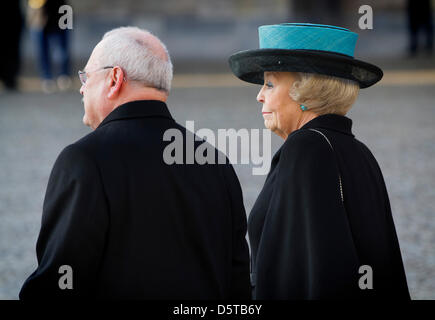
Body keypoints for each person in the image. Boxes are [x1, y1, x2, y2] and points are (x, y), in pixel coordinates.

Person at [20, 27, 250, 299]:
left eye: (87, 76)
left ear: (115, 79)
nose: (81, 88)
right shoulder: (215, 162)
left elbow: (58, 284)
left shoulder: (85, 161)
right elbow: (238, 283)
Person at [229, 23, 410, 300]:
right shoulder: (359, 151)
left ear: (305, 93)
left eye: (270, 83)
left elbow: (310, 272)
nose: (259, 95)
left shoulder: (307, 147)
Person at [27, 0, 71, 93]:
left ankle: (63, 75)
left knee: (61, 48)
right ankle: (46, 77)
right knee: (40, 46)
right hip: (37, 8)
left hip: (60, 8)